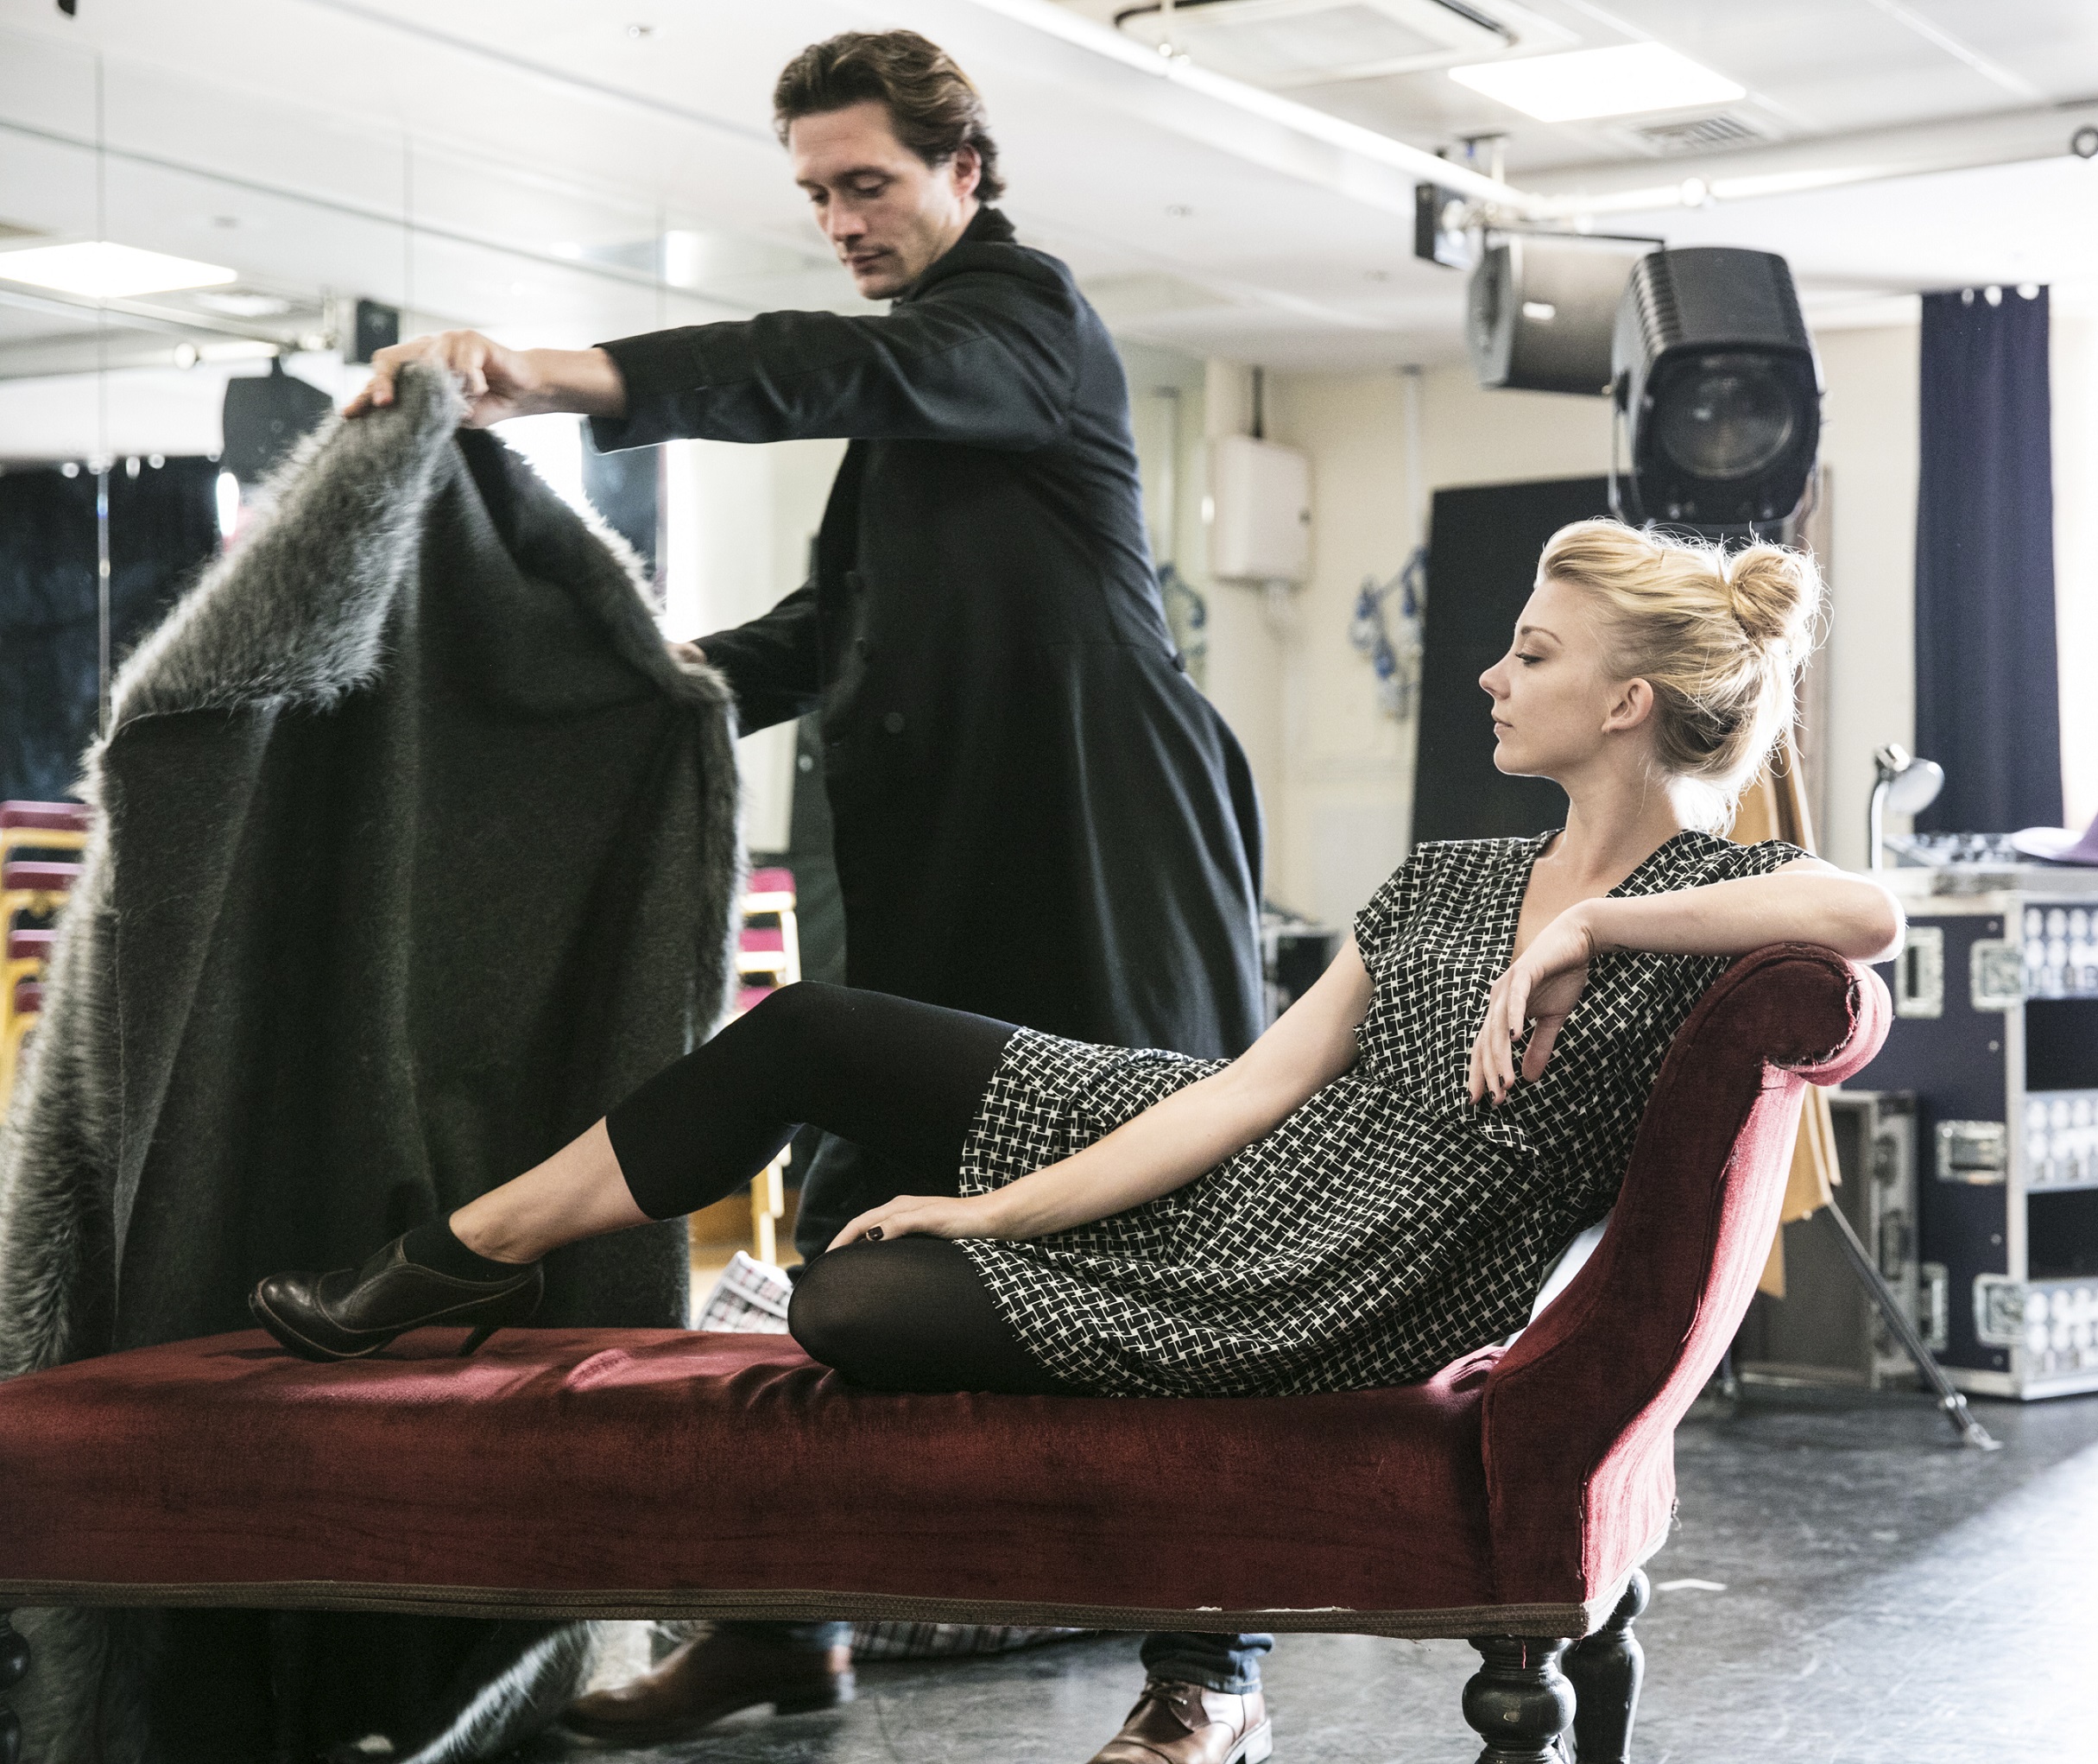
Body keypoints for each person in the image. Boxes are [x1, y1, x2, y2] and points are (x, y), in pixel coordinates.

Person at [255, 517, 1902, 1764]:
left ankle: (1200, 1667)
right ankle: (453, 1258)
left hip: (1347, 1276)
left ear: (1625, 700)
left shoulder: (1710, 904)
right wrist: (990, 1211)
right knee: (814, 1028)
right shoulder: (1447, 878)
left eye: (1529, 654)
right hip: (1245, 1169)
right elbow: (1243, 1093)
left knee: (846, 1303)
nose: (1491, 675)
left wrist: (1593, 929)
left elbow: (1863, 915)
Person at [338, 28, 1270, 1757]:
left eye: (867, 184)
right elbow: (829, 631)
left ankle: (1209, 1673)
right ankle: (784, 1629)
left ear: (962, 173)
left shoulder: (1021, 322)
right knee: (846, 1221)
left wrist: (557, 374)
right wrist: (627, 695)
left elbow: (810, 367)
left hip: (1097, 850)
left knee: (1164, 1238)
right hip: (939, 865)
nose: (840, 219)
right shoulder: (926, 413)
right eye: (816, 193)